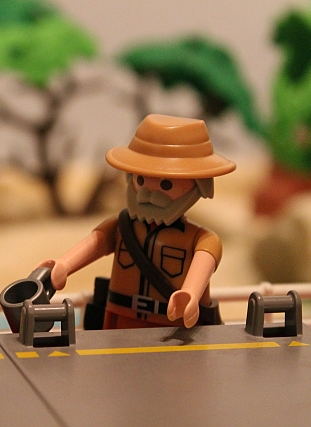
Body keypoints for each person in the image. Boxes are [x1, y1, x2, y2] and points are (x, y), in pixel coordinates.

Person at [37, 114, 236, 329]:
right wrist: (64, 265)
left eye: (166, 185)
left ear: (199, 185)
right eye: (141, 180)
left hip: (171, 327)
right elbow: (95, 243)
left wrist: (190, 295)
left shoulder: (203, 239)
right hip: (119, 318)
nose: (148, 192)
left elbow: (199, 273)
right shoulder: (122, 226)